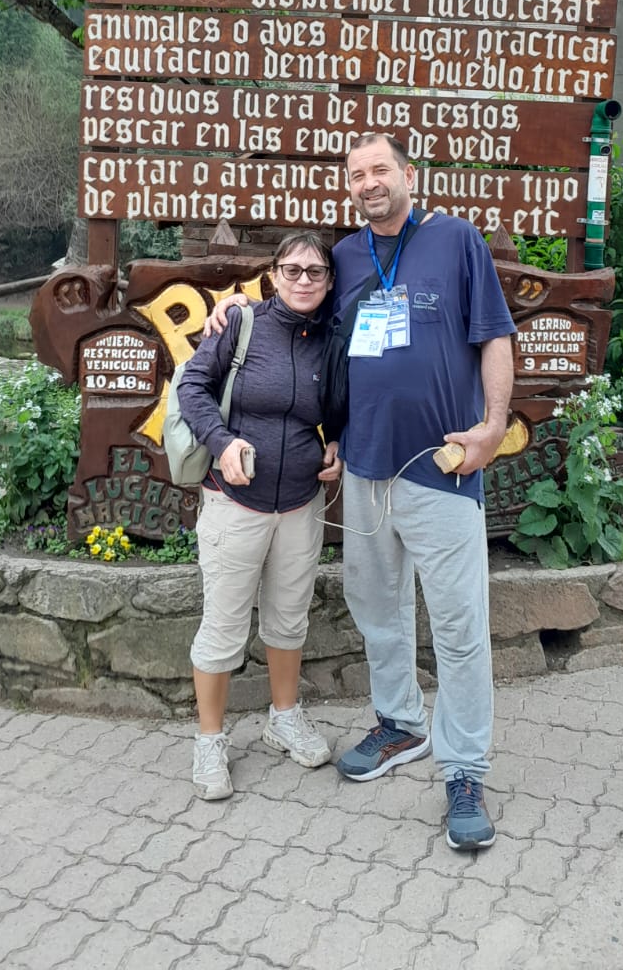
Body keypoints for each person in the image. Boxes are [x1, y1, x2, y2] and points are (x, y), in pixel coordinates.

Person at [207, 135, 516, 850]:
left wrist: (495, 424)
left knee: (461, 629)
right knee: (378, 610)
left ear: (410, 175)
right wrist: (233, 303)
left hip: (443, 469)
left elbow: (495, 336)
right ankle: (400, 725)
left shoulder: (458, 242)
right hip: (365, 472)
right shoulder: (343, 256)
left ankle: (464, 769)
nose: (369, 182)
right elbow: (290, 304)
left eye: (381, 170)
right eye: (357, 175)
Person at [176, 231, 342, 802]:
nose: (303, 281)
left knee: (288, 620)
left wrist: (337, 442)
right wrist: (221, 443)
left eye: (314, 272)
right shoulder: (240, 324)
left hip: (300, 502)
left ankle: (284, 717)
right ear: (272, 274)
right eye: (292, 270)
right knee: (223, 626)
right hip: (234, 501)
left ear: (327, 280)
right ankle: (209, 739)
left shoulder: (331, 337)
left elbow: (340, 402)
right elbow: (192, 386)